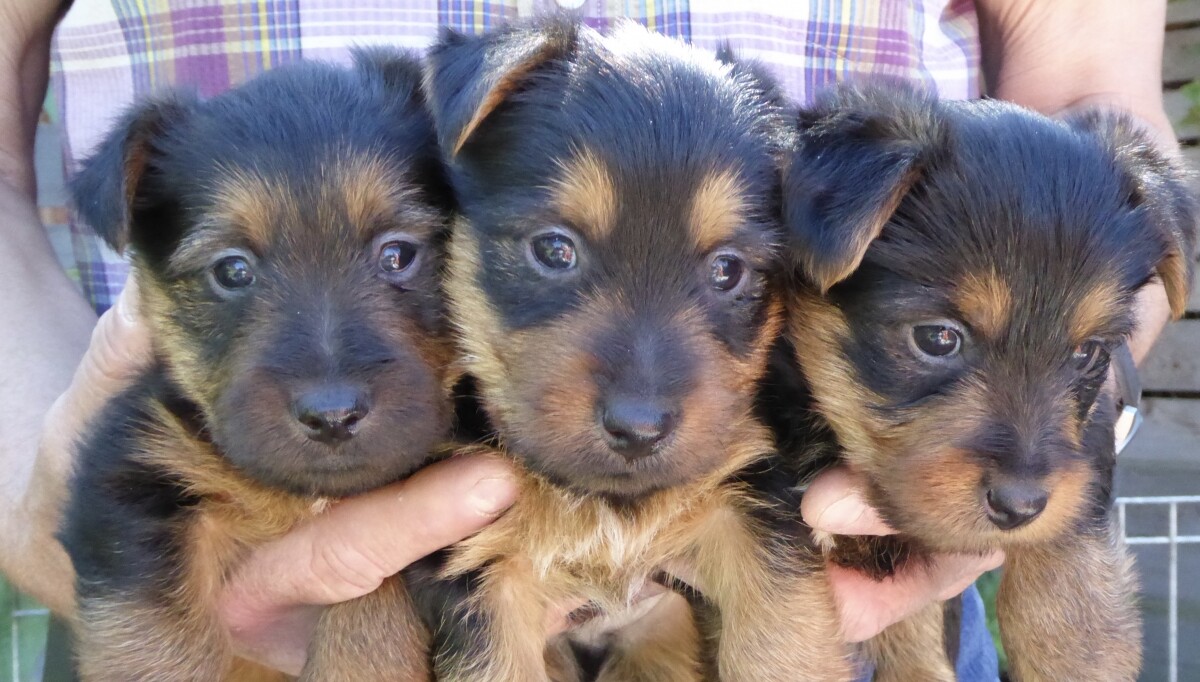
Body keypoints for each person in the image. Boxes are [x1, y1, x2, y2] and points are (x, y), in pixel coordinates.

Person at [0, 0, 1178, 678]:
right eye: (553, 251)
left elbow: (1088, 135)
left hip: (872, 577)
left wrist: (1046, 451)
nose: (639, 395)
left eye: (734, 269)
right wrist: (28, 487)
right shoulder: (443, 120)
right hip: (177, 561)